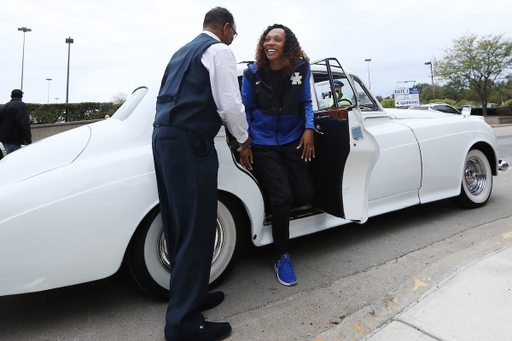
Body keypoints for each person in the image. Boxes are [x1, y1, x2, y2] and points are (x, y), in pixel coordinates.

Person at [152, 7, 250, 341]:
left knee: (178, 224)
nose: (233, 38)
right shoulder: (219, 50)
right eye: (234, 33)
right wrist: (244, 140)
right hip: (190, 140)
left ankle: (190, 294)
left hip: (164, 137)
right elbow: (230, 105)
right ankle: (183, 324)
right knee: (197, 226)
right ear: (225, 28)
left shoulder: (182, 52)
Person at [240, 24, 314, 287]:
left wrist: (309, 129)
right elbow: (245, 111)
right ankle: (282, 256)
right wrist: (244, 145)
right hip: (262, 143)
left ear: (287, 45)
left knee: (305, 195)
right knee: (282, 197)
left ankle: (274, 211)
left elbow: (306, 101)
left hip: (293, 139)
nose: (270, 43)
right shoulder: (252, 73)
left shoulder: (301, 68)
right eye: (267, 39)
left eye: (277, 39)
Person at [0, 89, 32, 154]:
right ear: (21, 96)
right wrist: (28, 140)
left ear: (11, 96)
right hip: (14, 138)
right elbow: (24, 124)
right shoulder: (21, 106)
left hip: (4, 138)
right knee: (14, 158)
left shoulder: (4, 107)